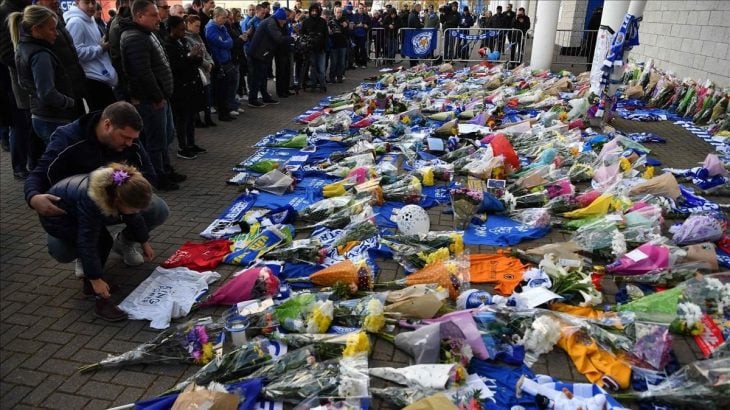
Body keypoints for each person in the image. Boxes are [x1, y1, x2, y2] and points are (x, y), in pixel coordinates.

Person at [24, 102, 169, 291]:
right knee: (68, 247)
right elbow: (38, 174)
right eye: (125, 137)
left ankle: (125, 242)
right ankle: (85, 260)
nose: (129, 144)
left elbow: (149, 175)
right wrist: (33, 197)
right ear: (107, 125)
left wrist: (132, 199)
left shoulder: (130, 140)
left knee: (155, 208)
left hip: (112, 202)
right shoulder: (67, 138)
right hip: (76, 208)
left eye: (133, 139)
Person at [42, 163, 155, 321]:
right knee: (97, 243)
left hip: (76, 212)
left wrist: (144, 241)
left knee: (103, 241)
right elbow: (87, 242)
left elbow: (134, 218)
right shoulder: (92, 201)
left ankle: (91, 283)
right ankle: (99, 299)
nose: (137, 212)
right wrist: (96, 279)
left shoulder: (120, 190)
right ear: (118, 201)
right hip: (58, 219)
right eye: (134, 208)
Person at [120, 0, 182, 191]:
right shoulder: (134, 37)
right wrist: (157, 97)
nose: (158, 18)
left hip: (160, 96)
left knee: (166, 136)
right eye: (153, 15)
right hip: (151, 100)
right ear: (139, 16)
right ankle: (158, 176)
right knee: (156, 141)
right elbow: (142, 73)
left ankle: (166, 169)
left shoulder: (147, 33)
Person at [10, 5, 82, 144]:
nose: (56, 33)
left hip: (42, 115)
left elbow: (24, 82)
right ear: (36, 29)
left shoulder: (23, 47)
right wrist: (69, 102)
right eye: (51, 29)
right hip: (54, 118)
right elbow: (47, 92)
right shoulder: (40, 55)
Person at [1, 0, 42, 180]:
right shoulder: (5, 12)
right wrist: (28, 65)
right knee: (19, 124)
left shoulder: (25, 8)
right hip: (13, 81)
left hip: (25, 78)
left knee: (30, 124)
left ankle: (33, 163)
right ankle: (19, 166)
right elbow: (6, 53)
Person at [64, 0, 118, 112]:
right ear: (77, 2)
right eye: (87, 2)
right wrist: (101, 48)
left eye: (93, 3)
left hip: (101, 76)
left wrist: (101, 43)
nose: (91, 6)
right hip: (92, 79)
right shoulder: (76, 23)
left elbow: (91, 43)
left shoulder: (91, 19)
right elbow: (76, 52)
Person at [165, 15, 206, 160]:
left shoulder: (182, 41)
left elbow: (191, 62)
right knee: (182, 119)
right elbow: (175, 67)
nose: (183, 32)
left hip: (190, 85)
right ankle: (183, 147)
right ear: (173, 29)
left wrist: (198, 56)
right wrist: (190, 57)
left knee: (191, 117)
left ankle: (191, 143)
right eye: (181, 29)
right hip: (179, 87)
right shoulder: (168, 45)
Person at [247, 7, 290, 106]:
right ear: (280, 19)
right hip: (257, 54)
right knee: (257, 78)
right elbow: (278, 38)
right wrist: (291, 38)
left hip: (262, 53)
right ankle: (252, 100)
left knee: (262, 77)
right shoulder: (271, 23)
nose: (284, 23)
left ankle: (265, 97)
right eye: (284, 21)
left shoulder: (271, 21)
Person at [205, 7, 237, 121]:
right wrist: (225, 42)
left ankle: (226, 111)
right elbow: (220, 43)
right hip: (219, 62)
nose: (225, 20)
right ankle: (222, 114)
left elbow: (229, 42)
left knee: (227, 88)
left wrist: (225, 42)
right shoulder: (211, 29)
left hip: (226, 59)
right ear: (216, 16)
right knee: (221, 90)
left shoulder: (222, 27)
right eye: (223, 18)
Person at [185, 14, 216, 128]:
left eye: (199, 26)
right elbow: (195, 56)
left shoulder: (198, 36)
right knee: (198, 95)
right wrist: (207, 64)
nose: (198, 28)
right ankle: (198, 120)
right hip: (198, 70)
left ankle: (208, 118)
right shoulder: (186, 38)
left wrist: (211, 62)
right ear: (188, 24)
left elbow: (205, 51)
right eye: (196, 26)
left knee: (207, 94)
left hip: (206, 70)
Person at [301, 3, 327, 92]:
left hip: (321, 49)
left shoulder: (323, 22)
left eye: (316, 11)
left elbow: (326, 35)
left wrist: (325, 46)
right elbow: (302, 34)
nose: (314, 13)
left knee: (321, 68)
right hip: (310, 49)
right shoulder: (306, 22)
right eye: (312, 11)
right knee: (313, 68)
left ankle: (322, 85)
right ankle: (313, 85)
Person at [327, 5, 347, 83]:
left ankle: (339, 77)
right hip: (334, 45)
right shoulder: (331, 22)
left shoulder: (345, 21)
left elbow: (347, 33)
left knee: (341, 63)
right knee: (333, 63)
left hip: (343, 45)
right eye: (338, 12)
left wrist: (346, 27)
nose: (339, 14)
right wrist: (330, 32)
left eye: (340, 12)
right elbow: (328, 33)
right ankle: (332, 77)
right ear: (335, 13)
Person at [349, 3, 369, 68]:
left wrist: (366, 26)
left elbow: (370, 25)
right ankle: (357, 62)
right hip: (355, 35)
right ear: (358, 8)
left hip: (363, 35)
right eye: (360, 8)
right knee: (356, 49)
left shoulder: (366, 16)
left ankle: (364, 63)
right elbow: (351, 25)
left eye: (362, 8)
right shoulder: (354, 16)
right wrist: (358, 25)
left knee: (363, 49)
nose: (361, 9)